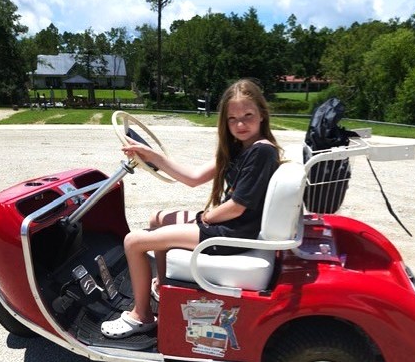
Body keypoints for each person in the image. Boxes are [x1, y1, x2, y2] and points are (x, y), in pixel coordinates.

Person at [101, 79, 283, 339]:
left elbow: (237, 207)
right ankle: (164, 291)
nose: (240, 124)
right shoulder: (239, 148)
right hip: (234, 227)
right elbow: (193, 177)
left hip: (234, 234)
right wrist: (154, 157)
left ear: (262, 115)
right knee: (157, 219)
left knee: (133, 241)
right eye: (232, 118)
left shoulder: (261, 152)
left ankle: (141, 315)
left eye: (248, 116)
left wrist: (205, 217)